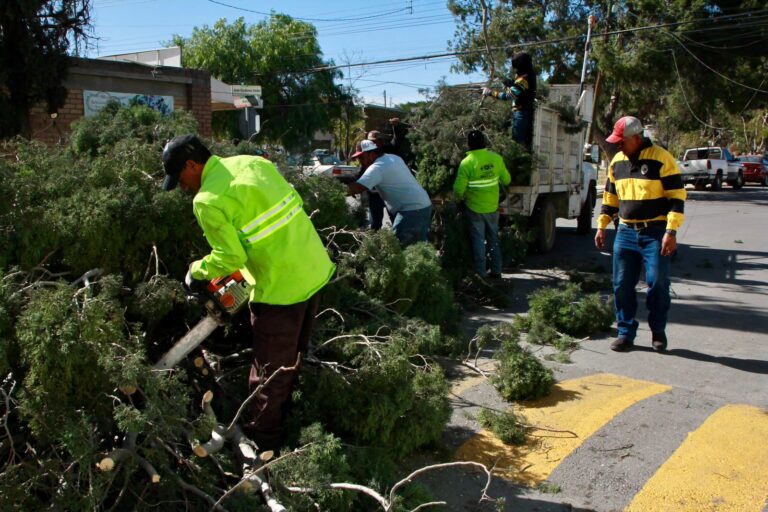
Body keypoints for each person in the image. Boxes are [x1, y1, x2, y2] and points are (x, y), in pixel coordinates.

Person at [161, 134, 335, 450]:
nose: (183, 187)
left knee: (268, 376)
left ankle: (263, 448)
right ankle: (290, 418)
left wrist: (196, 270)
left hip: (280, 291)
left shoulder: (207, 200)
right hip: (314, 271)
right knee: (293, 358)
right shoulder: (254, 163)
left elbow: (231, 258)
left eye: (181, 178)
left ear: (192, 164)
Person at [594, 116, 686, 353]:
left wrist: (671, 231)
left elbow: (676, 198)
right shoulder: (617, 162)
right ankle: (625, 333)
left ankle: (658, 331)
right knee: (621, 285)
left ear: (636, 138)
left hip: (654, 233)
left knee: (657, 283)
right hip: (625, 233)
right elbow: (610, 199)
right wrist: (602, 225)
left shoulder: (661, 159)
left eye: (621, 141)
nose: (618, 145)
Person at [347, 139, 432, 245]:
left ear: (372, 154)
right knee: (418, 248)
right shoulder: (393, 158)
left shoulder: (377, 168)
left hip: (411, 211)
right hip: (424, 206)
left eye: (361, 157)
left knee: (398, 248)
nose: (360, 161)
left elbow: (357, 188)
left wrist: (334, 190)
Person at [453, 130, 511, 278]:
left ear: (469, 145)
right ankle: (497, 271)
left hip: (474, 208)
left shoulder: (467, 163)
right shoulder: (496, 158)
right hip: (492, 207)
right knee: (493, 238)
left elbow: (458, 189)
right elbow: (507, 180)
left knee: (478, 240)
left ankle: (481, 273)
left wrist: (458, 200)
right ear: (484, 142)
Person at [481, 52, 537, 149]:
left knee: (517, 146)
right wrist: (499, 76)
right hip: (523, 112)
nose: (515, 69)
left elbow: (509, 96)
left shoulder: (524, 78)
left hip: (521, 113)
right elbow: (513, 85)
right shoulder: (528, 74)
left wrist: (490, 93)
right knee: (520, 143)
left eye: (516, 67)